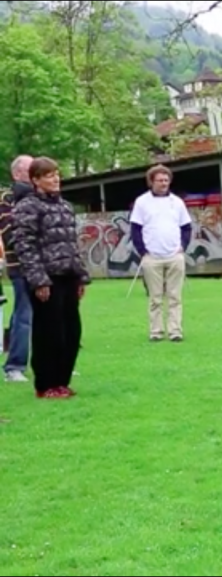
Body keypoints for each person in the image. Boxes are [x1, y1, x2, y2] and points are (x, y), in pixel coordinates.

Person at [11, 157, 89, 400]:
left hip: (68, 276)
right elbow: (25, 246)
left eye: (57, 174)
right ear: (35, 180)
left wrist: (81, 277)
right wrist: (39, 280)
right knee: (49, 333)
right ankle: (45, 385)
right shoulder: (27, 207)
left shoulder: (65, 206)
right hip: (46, 277)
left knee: (71, 331)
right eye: (48, 175)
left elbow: (71, 244)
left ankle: (62, 382)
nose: (55, 179)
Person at [129, 165, 192, 342]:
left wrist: (183, 247)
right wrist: (142, 252)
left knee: (175, 297)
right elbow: (135, 229)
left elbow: (186, 227)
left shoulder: (177, 202)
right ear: (151, 182)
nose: (163, 184)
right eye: (160, 180)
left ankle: (175, 331)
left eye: (166, 180)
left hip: (174, 256)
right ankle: (156, 331)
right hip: (152, 257)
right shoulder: (142, 202)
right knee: (155, 298)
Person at [0, 155, 35, 383]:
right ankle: (14, 366)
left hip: (46, 264)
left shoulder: (44, 196)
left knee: (50, 316)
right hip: (20, 265)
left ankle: (51, 364)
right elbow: (9, 233)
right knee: (24, 314)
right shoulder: (7, 199)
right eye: (30, 170)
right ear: (17, 174)